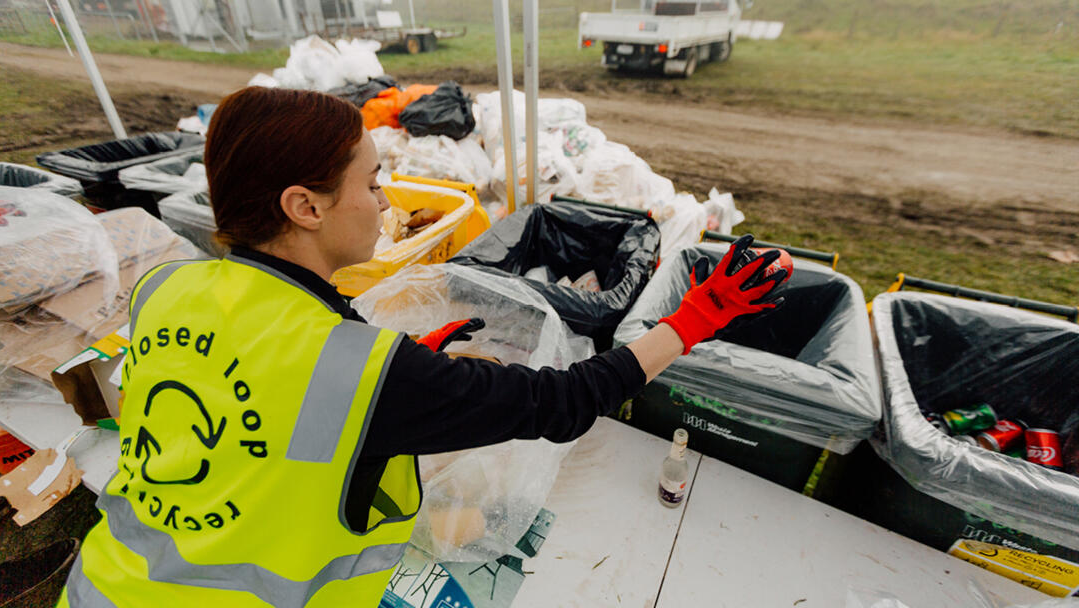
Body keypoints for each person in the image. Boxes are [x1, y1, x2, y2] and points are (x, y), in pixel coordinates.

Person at [60, 87, 786, 608]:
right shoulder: (359, 372)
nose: (384, 203)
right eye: (371, 184)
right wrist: (693, 318)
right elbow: (564, 402)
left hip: (103, 587)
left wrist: (394, 364)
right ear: (304, 207)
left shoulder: (167, 289)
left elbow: (244, 384)